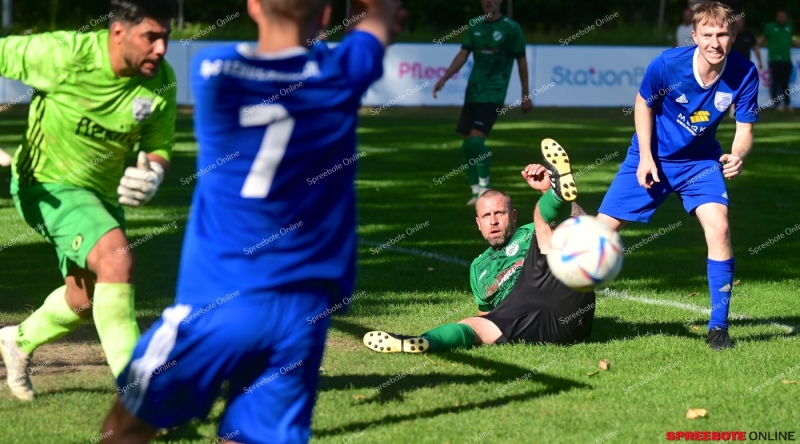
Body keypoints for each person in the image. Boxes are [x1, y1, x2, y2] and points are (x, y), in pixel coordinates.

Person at [100, 0, 403, 442]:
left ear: (254, 7)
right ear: (324, 16)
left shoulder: (214, 70)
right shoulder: (340, 74)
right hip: (303, 310)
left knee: (127, 426)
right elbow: (379, 19)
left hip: (219, 301)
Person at [0, 0, 176, 401]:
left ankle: (18, 340)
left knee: (85, 299)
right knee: (117, 258)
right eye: (151, 37)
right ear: (118, 32)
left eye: (165, 37)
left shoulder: (159, 79)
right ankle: (139, 399)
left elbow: (159, 145)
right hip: (45, 186)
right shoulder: (63, 55)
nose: (162, 48)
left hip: (101, 198)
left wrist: (155, 174)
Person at [596, 2, 759, 350]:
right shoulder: (668, 64)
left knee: (720, 227)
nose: (715, 42)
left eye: (723, 34)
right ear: (695, 35)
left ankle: (718, 328)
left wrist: (737, 155)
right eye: (708, 34)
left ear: (733, 35)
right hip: (651, 155)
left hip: (700, 163)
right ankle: (564, 311)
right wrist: (646, 158)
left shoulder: (745, 73)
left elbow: (744, 130)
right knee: (597, 237)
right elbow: (643, 104)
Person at [364, 141, 593, 353]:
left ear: (513, 215)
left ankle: (556, 193)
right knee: (472, 325)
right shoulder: (478, 268)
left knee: (544, 222)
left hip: (564, 295)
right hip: (536, 322)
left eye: (499, 213)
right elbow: (487, 316)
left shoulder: (527, 232)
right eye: (486, 215)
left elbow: (581, 226)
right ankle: (422, 341)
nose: (493, 221)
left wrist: (548, 192)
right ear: (478, 223)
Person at [432, 0, 531, 206]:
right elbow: (463, 53)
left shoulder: (511, 29)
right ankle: (475, 191)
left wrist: (525, 93)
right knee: (467, 145)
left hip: (494, 94)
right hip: (473, 92)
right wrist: (445, 77)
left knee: (476, 141)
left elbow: (521, 60)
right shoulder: (475, 24)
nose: (488, 1)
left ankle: (485, 187)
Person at [758, 10, 800, 112]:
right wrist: (754, 45)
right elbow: (762, 39)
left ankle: (787, 104)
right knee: (775, 82)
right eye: (780, 17)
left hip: (786, 59)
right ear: (777, 17)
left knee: (785, 82)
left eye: (783, 17)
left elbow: (792, 40)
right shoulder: (770, 27)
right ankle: (777, 104)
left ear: (786, 17)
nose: (782, 19)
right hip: (774, 60)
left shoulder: (789, 27)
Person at [729, 16, 763, 117]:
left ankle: (742, 108)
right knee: (732, 88)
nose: (739, 24)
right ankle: (732, 109)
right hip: (731, 66)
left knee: (744, 88)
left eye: (741, 22)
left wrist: (760, 61)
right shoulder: (730, 34)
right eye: (737, 22)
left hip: (745, 68)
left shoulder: (749, 34)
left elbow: (755, 47)